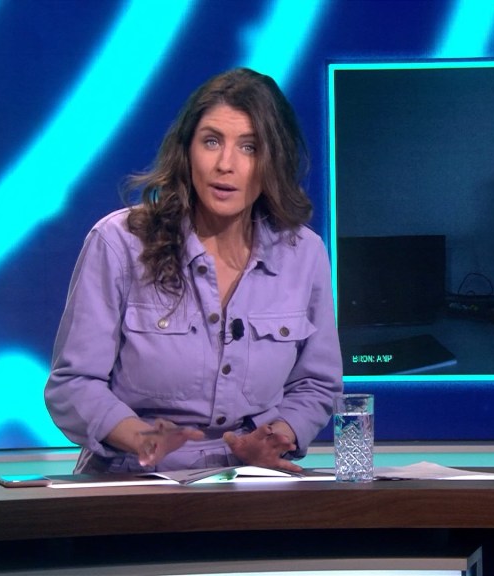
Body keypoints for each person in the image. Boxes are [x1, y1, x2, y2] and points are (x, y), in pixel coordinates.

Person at [45, 68, 343, 474]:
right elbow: (72, 385)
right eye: (211, 141)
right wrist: (140, 437)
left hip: (253, 483)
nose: (225, 164)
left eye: (249, 147)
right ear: (186, 151)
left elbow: (317, 383)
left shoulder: (303, 253)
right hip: (136, 481)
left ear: (274, 161)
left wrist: (276, 437)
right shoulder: (119, 243)